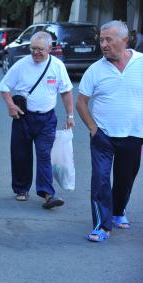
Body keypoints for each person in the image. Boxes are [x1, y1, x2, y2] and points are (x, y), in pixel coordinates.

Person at [76, 20, 143, 242]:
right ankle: (101, 226)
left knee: (125, 179)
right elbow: (81, 103)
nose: (103, 44)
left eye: (108, 40)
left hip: (134, 134)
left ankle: (117, 211)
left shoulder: (141, 64)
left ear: (125, 40)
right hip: (103, 135)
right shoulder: (95, 70)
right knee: (101, 179)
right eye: (101, 40)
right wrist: (94, 130)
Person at [0, 31, 74, 209]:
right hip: (23, 117)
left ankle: (48, 194)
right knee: (20, 155)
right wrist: (10, 105)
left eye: (40, 49)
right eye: (32, 49)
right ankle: (21, 189)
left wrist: (70, 115)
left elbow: (66, 91)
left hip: (47, 118)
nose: (35, 52)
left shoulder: (57, 66)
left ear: (50, 48)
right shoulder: (21, 65)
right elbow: (4, 87)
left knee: (44, 155)